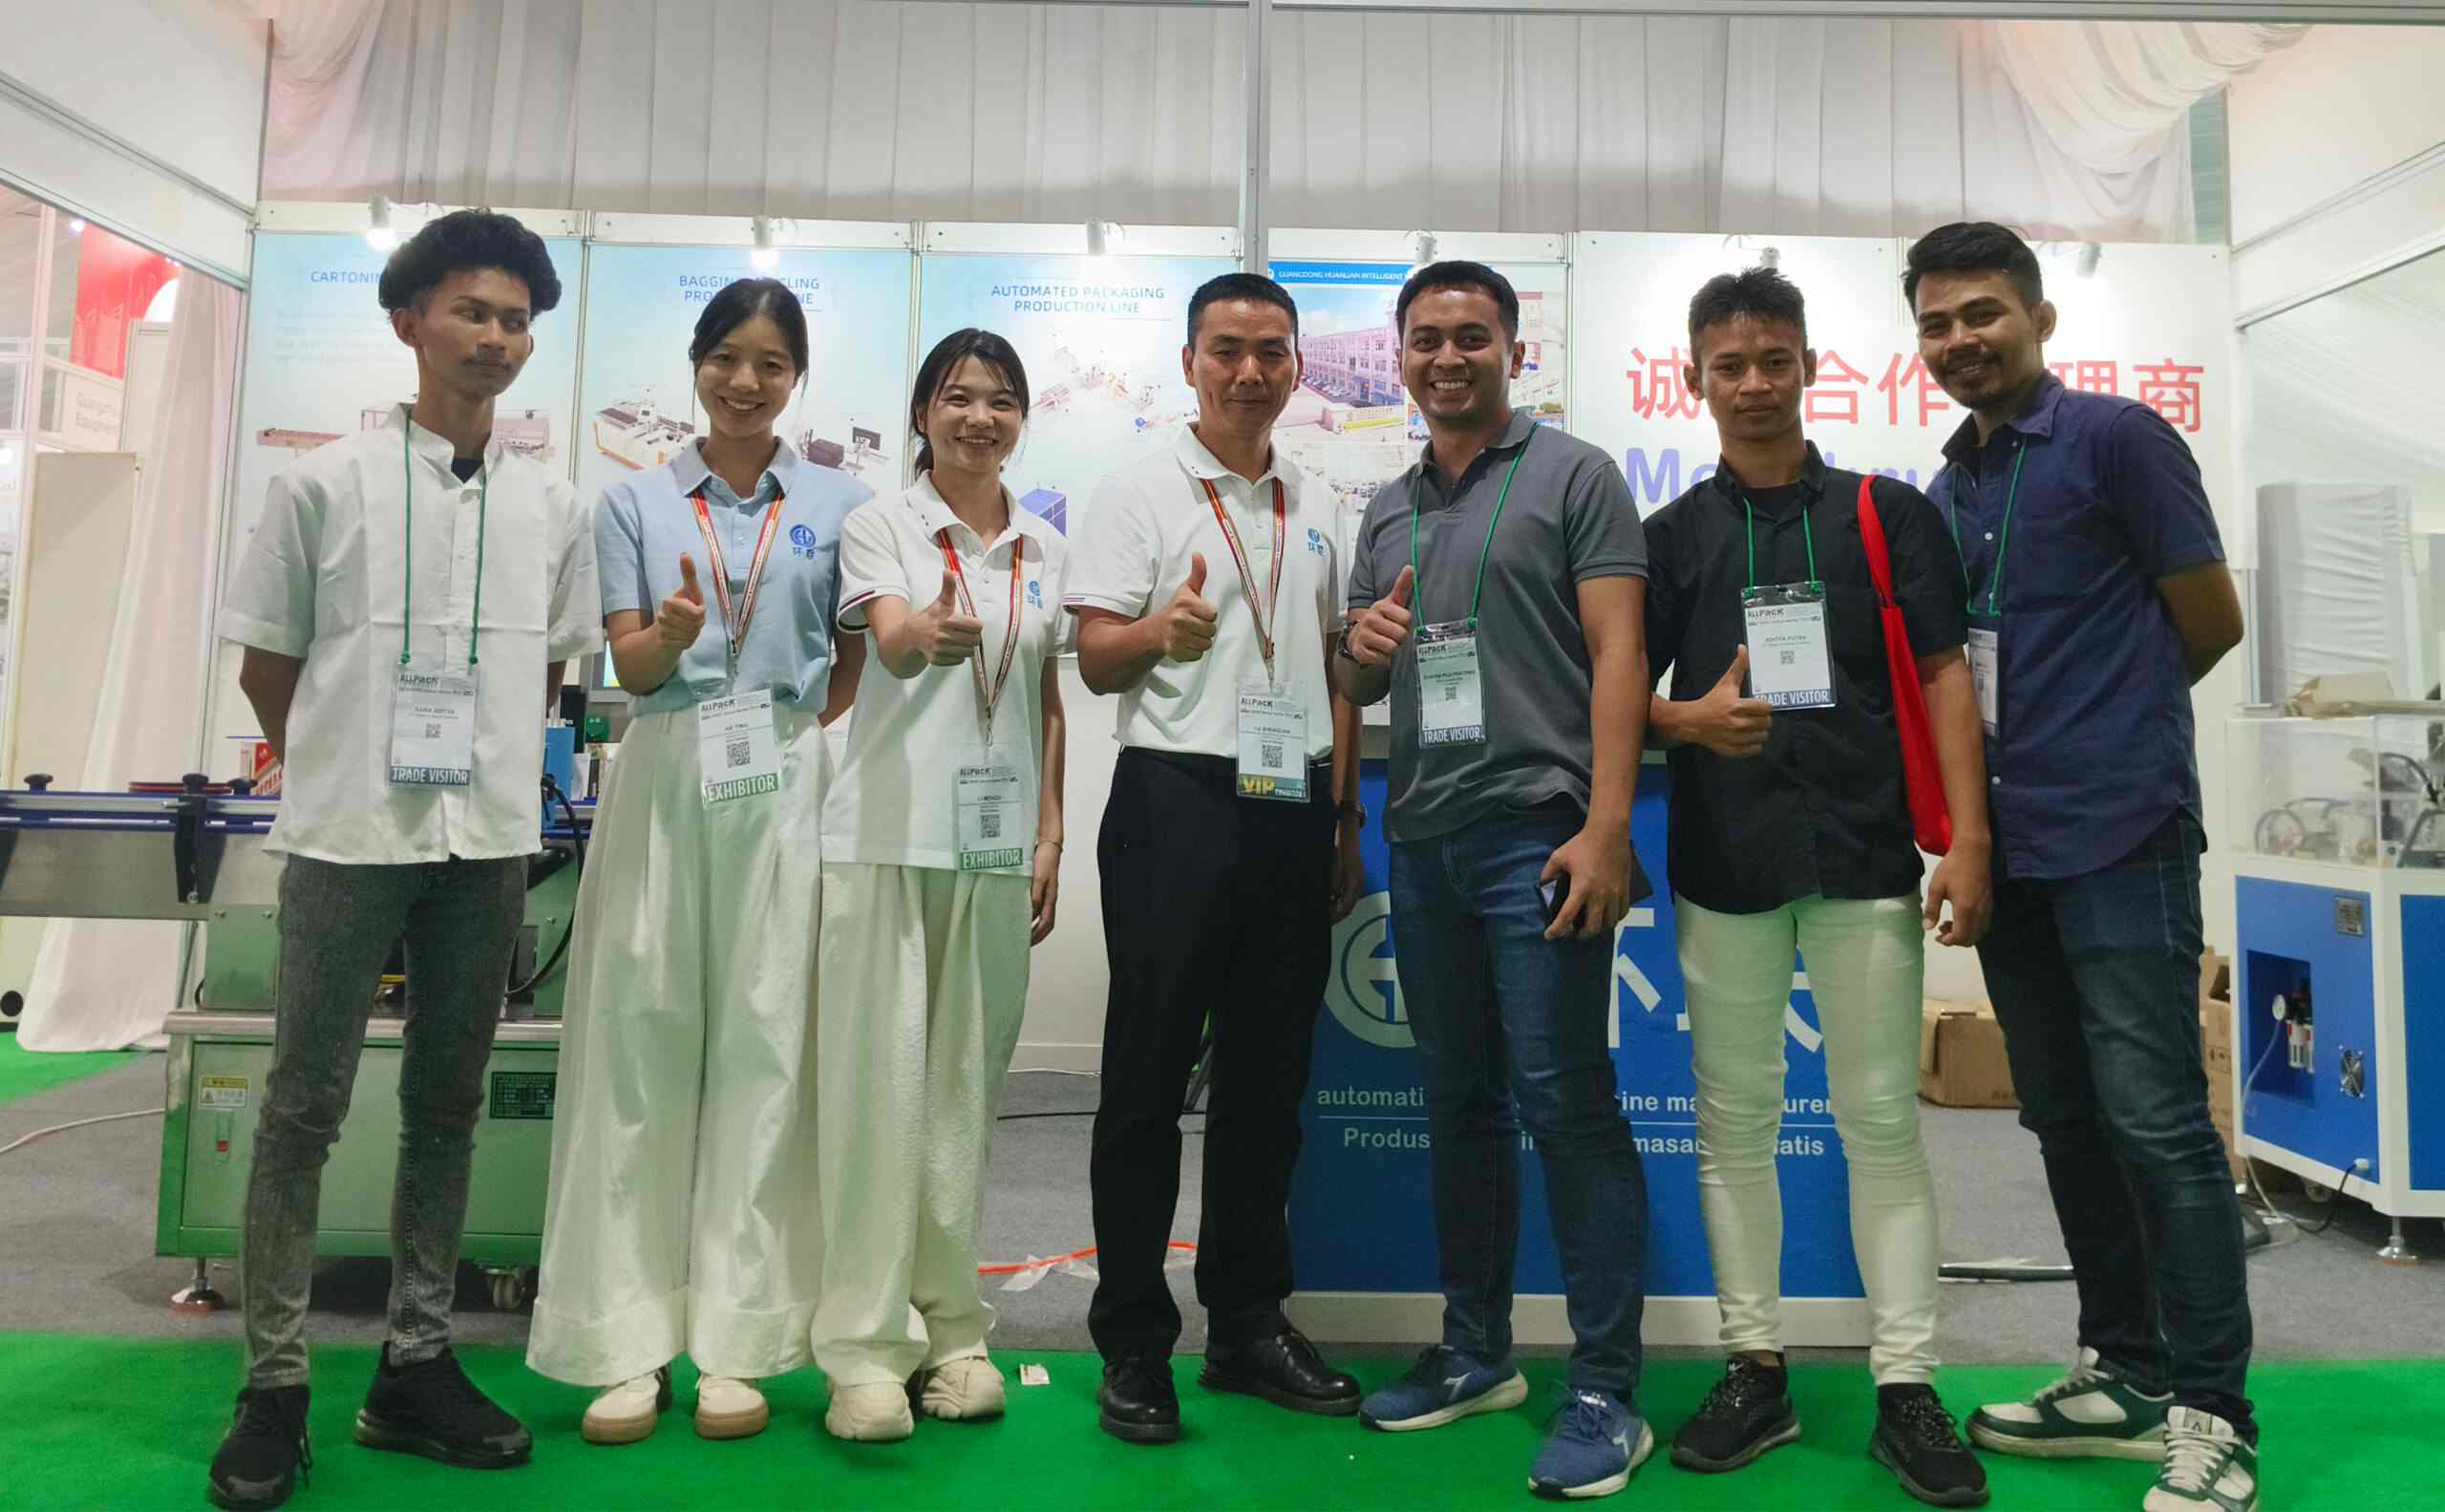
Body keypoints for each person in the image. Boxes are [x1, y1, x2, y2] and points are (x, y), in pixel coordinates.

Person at [209, 210, 600, 1511]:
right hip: (348, 838)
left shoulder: (550, 501)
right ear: (408, 322)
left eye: (514, 318)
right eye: (471, 310)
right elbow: (269, 664)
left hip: (485, 845)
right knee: (302, 1105)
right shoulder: (320, 483)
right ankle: (272, 1382)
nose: (495, 335)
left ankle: (415, 1360)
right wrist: (336, 765)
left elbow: (547, 667)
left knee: (447, 1107)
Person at [1905, 223, 2251, 1512]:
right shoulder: (1950, 492)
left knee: (2158, 1121)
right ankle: (2128, 1367)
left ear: (2039, 317)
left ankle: (2216, 1412)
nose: (1960, 341)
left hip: (2120, 833)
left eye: (1982, 313)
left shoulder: (2117, 440)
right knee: (2061, 1114)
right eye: (1937, 324)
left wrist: (2113, 731)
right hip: (2013, 852)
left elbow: (2206, 620)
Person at [1642, 267, 1989, 1508]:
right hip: (1723, 869)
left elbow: (1947, 674)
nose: (1752, 382)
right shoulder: (1672, 534)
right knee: (1734, 1123)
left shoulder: (1888, 516)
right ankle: (1757, 1367)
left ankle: (1906, 1384)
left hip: (1861, 856)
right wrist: (1684, 719)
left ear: (1808, 367)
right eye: (1728, 364)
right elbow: (1615, 693)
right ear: (1696, 378)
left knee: (1882, 1122)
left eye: (1773, 359)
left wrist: (1971, 839)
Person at [525, 278, 868, 1445]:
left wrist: (802, 730)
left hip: (782, 773)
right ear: (695, 365)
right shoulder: (629, 503)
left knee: (770, 1046)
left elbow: (853, 653)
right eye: (726, 356)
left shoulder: (837, 500)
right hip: (667, 766)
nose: (745, 380)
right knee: (639, 1040)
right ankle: (623, 1337)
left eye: (771, 363)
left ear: (796, 377)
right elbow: (628, 664)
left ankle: (740, 1335)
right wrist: (665, 639)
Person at [1335, 261, 1653, 1501]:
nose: (1448, 356)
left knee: (1568, 1105)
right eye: (1427, 339)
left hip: (1541, 834)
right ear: (1401, 356)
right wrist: (1357, 650)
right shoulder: (1384, 506)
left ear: (1515, 346)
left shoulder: (1574, 475)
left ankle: (1606, 1388)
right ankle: (1478, 1350)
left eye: (1472, 335)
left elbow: (1619, 649)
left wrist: (1608, 822)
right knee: (1460, 1102)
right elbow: (1362, 683)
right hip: (1424, 837)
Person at [1065, 272, 1367, 1446]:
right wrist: (1157, 632)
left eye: (1271, 351)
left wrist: (1341, 816)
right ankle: (1134, 1343)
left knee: (1268, 1081)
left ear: (1298, 365)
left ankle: (1245, 1322)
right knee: (1144, 1080)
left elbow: (1343, 670)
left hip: (1292, 799)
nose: (1250, 370)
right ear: (1189, 361)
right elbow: (1094, 660)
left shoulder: (1323, 495)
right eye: (1227, 349)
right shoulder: (1139, 490)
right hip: (1174, 796)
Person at [809, 330, 1068, 1441]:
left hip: (994, 846)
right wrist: (919, 632)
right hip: (885, 838)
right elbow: (891, 638)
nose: (979, 416)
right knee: (878, 1094)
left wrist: (1051, 834)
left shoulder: (1044, 542)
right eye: (957, 397)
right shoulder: (881, 523)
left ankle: (953, 1328)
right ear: (921, 413)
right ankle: (862, 1346)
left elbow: (1046, 701)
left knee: (965, 1091)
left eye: (1000, 400)